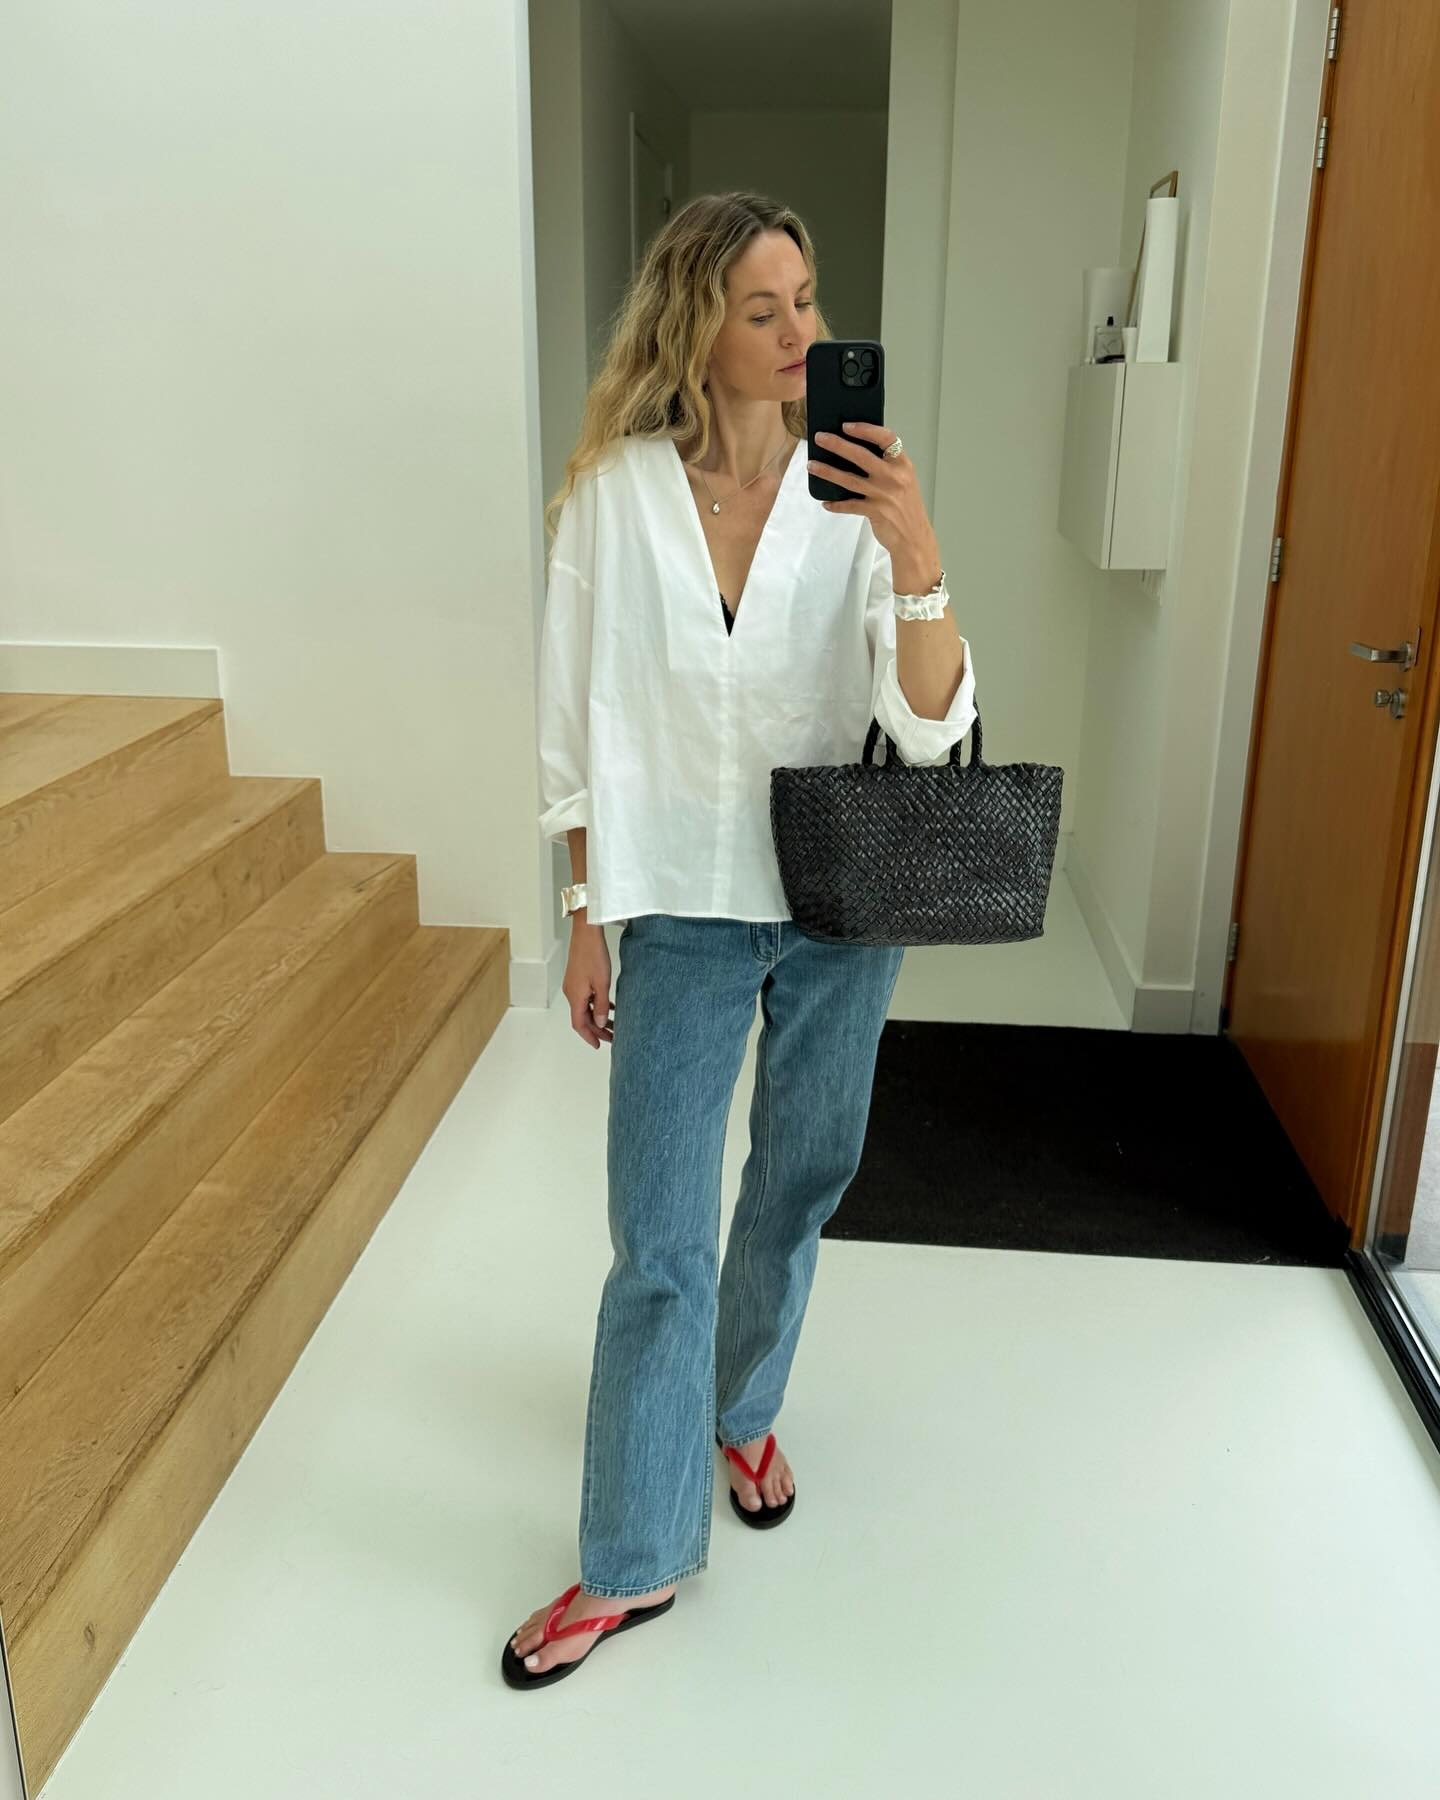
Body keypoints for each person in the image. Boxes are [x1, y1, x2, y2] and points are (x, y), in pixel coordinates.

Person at [504, 191, 977, 1688]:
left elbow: (930, 728)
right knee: (657, 1234)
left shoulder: (856, 499)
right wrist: (585, 914)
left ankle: (741, 1404)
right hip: (680, 909)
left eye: (808, 301)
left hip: (838, 902)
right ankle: (631, 1556)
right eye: (762, 308)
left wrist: (914, 549)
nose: (797, 333)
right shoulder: (613, 497)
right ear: (694, 323)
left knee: (798, 1176)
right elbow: (575, 718)